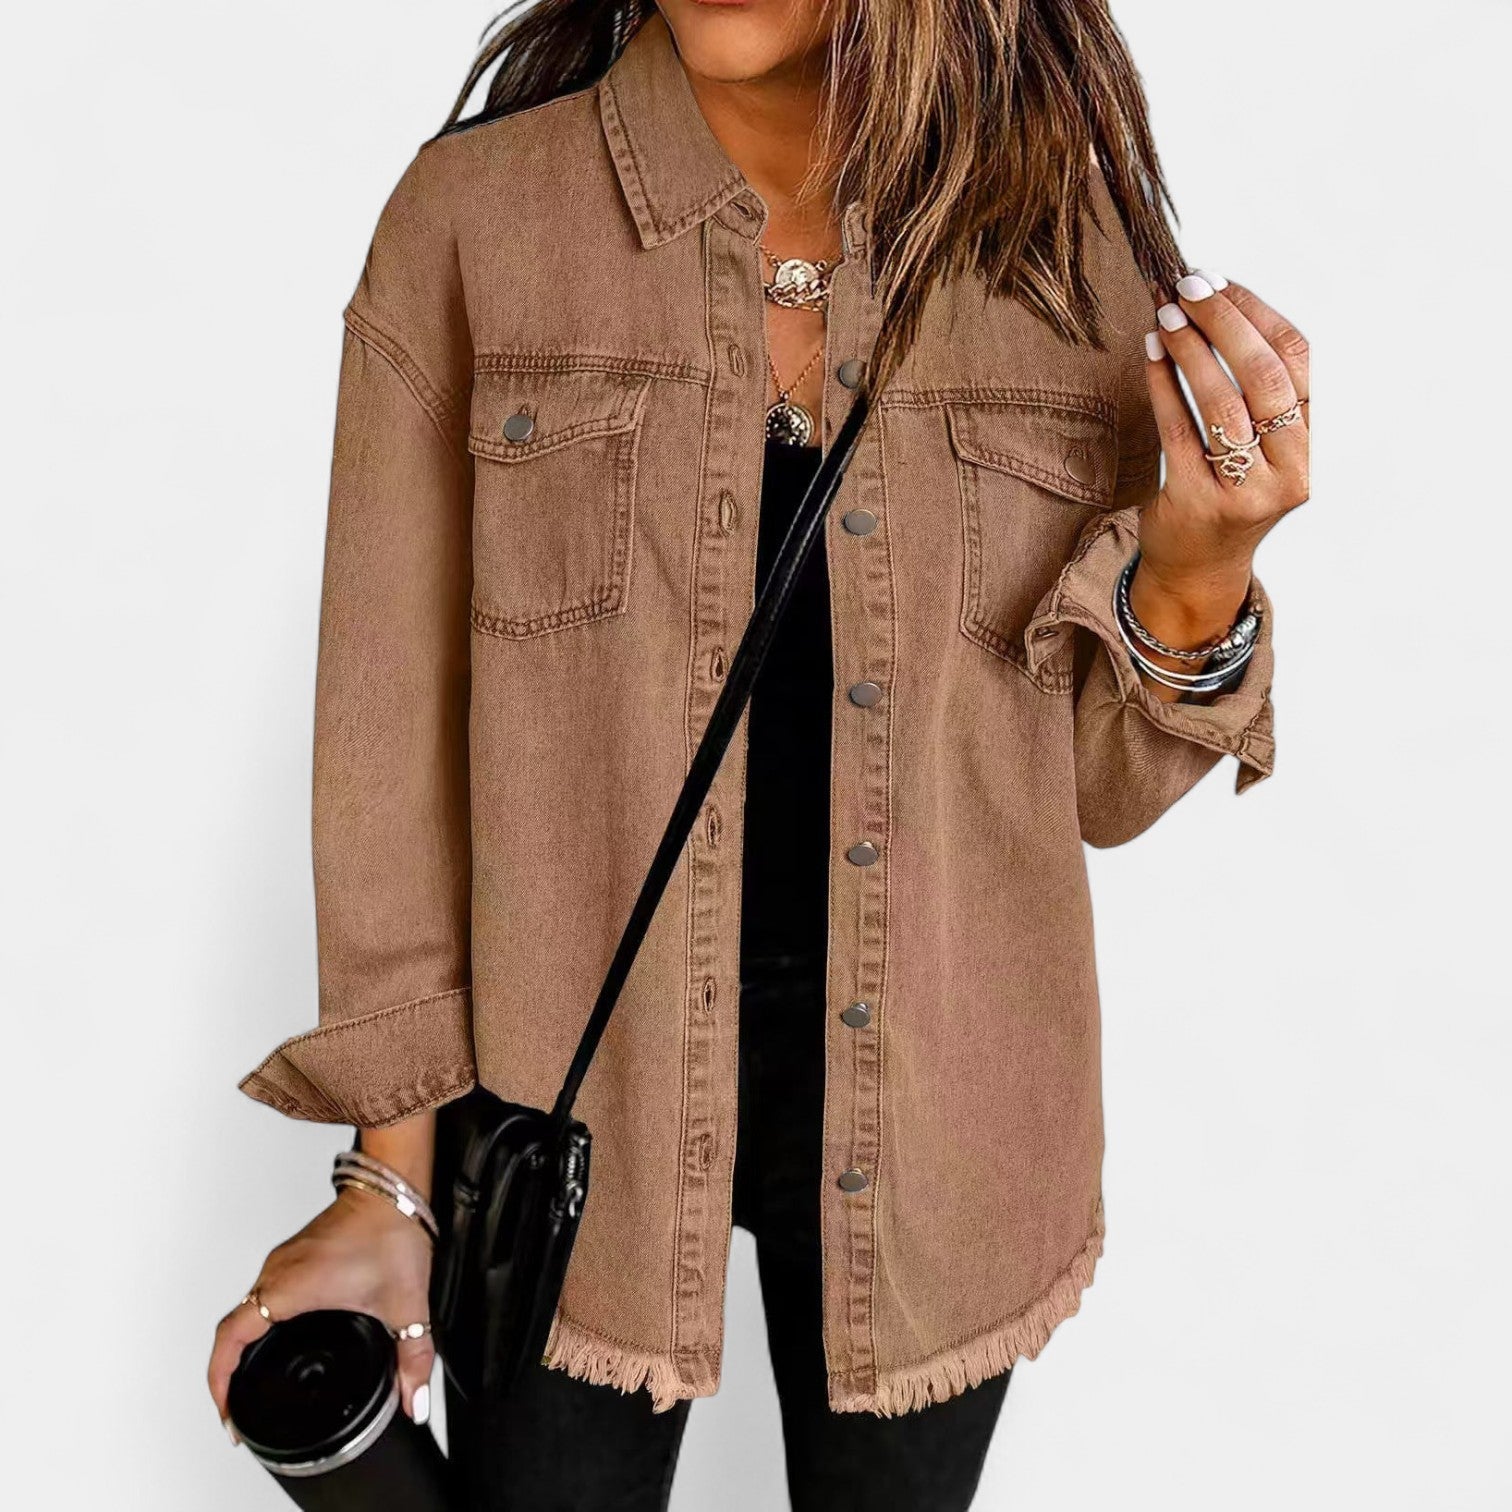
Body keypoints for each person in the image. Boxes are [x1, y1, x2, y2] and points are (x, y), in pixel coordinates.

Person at [208, 1, 1308, 1507]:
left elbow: (1101, 797)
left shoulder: (1061, 252)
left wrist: (1203, 568)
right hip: (565, 1098)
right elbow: (388, 746)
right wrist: (386, 1181)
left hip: (949, 1121)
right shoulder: (476, 221)